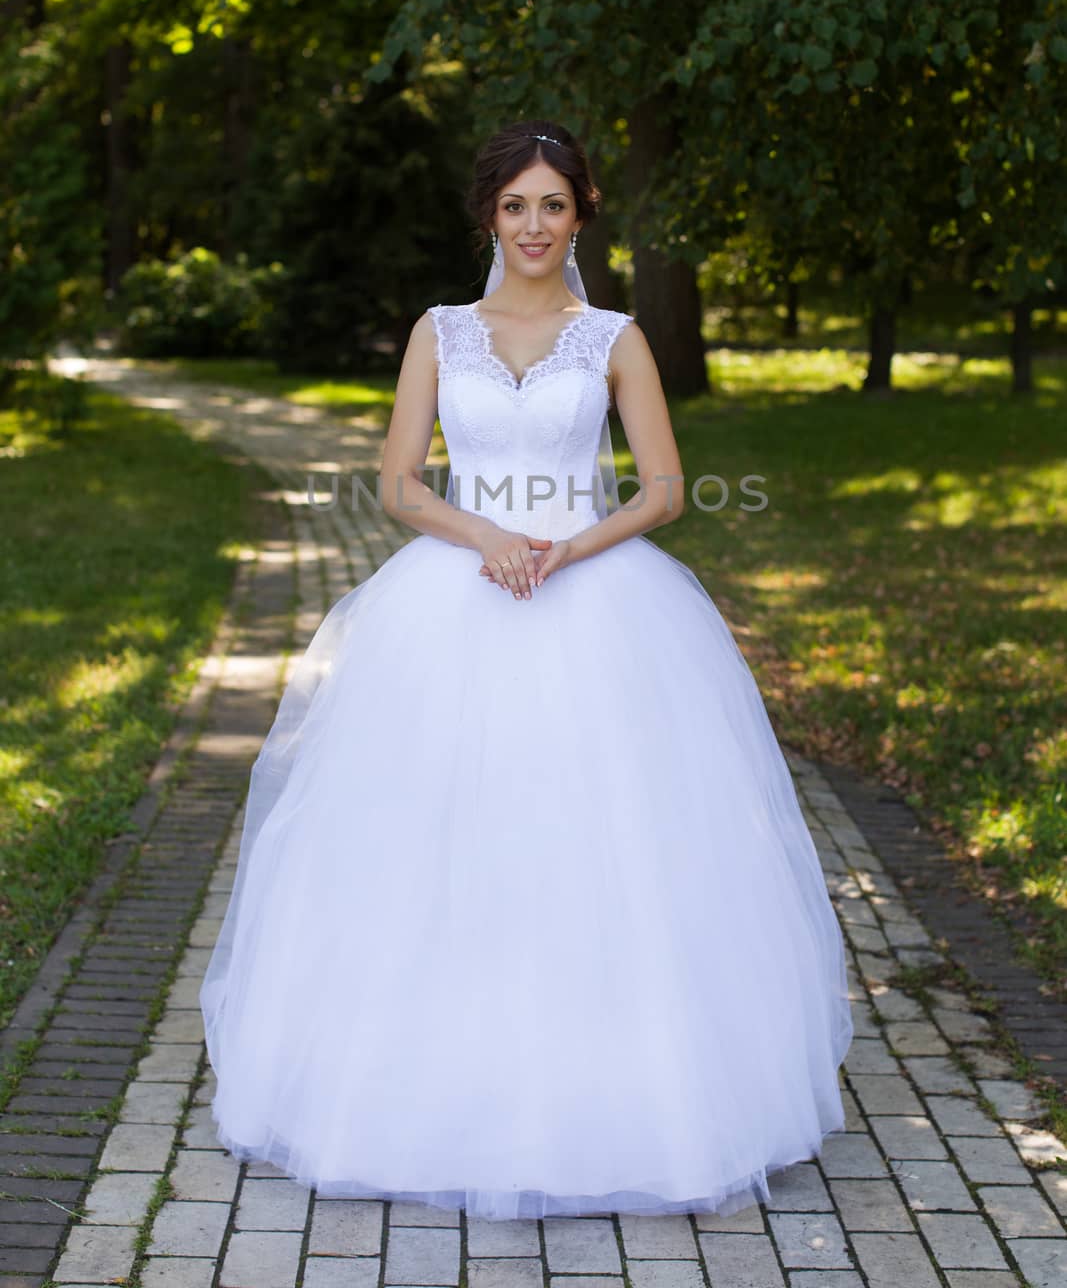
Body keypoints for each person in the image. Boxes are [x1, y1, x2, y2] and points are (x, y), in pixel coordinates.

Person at [199, 118, 854, 1223]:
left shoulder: (614, 339)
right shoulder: (439, 332)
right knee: (433, 831)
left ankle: (622, 1083)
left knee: (596, 836)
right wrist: (487, 540)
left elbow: (660, 490)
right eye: (516, 205)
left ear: (582, 212)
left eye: (553, 204)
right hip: (452, 593)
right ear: (489, 215)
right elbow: (400, 484)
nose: (535, 224)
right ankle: (422, 1074)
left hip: (592, 594)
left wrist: (559, 548)